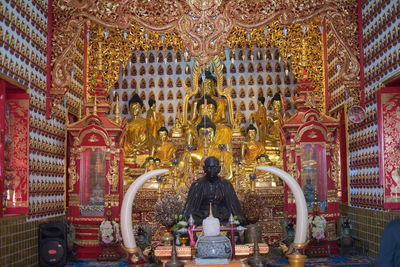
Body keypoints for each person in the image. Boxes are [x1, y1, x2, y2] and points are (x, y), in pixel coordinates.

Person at [182, 156, 246, 226]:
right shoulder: (197, 185)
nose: (211, 170)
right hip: (202, 216)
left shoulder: (226, 184)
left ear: (219, 169)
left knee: (236, 220)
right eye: (209, 167)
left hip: (222, 215)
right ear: (204, 169)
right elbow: (189, 208)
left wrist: (238, 217)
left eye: (214, 167)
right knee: (189, 220)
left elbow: (233, 206)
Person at [124, 94, 150, 162]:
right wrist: (129, 146)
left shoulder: (145, 122)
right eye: (132, 108)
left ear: (141, 109)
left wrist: (138, 146)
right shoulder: (125, 122)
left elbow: (148, 140)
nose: (134, 110)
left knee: (147, 152)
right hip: (129, 149)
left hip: (141, 148)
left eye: (136, 108)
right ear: (129, 109)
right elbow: (123, 139)